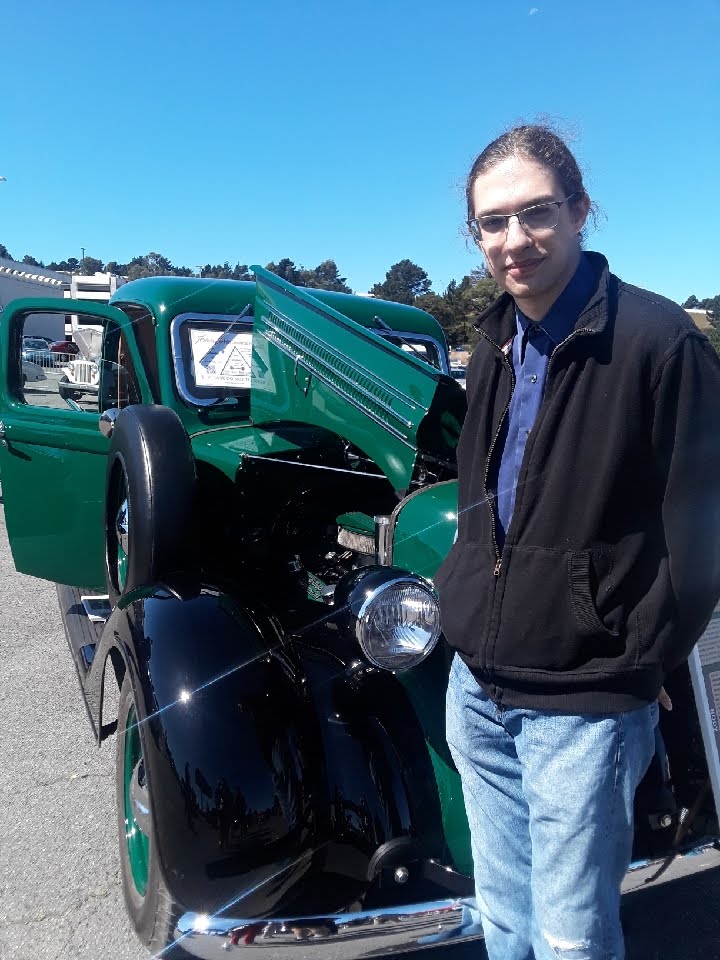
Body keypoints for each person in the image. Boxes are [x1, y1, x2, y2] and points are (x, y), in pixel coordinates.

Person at [434, 124, 720, 960]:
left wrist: (647, 659)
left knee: (570, 939)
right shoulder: (493, 341)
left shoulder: (658, 342)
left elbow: (700, 530)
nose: (513, 240)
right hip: (478, 688)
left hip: (583, 701)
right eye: (492, 222)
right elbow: (481, 498)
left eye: (536, 213)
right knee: (506, 920)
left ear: (581, 209)